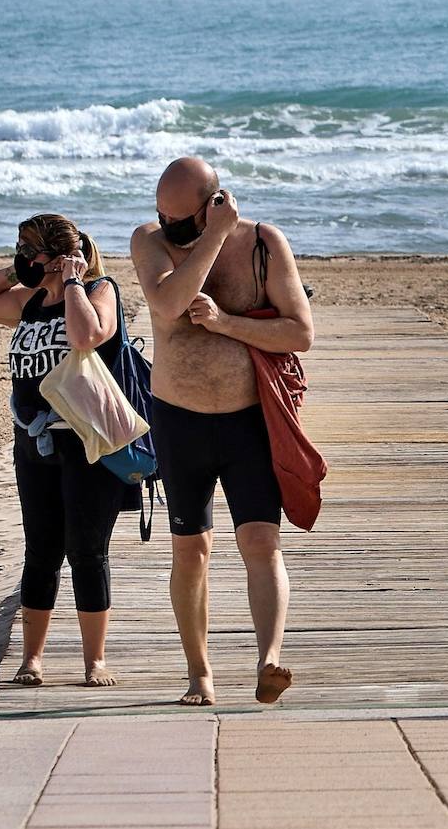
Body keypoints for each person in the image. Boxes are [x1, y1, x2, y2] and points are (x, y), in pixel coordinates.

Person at [131, 157, 314, 706]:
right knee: (192, 549)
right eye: (163, 216)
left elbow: (300, 333)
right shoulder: (151, 243)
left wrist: (228, 323)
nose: (170, 229)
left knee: (261, 539)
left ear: (216, 204)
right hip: (179, 419)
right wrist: (206, 239)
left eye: (182, 221)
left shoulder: (261, 243)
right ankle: (200, 674)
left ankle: (269, 658)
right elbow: (167, 303)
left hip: (248, 419)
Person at [0, 214, 124, 687]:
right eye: (20, 251)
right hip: (33, 441)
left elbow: (86, 336)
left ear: (55, 254)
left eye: (28, 251)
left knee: (87, 550)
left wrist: (73, 280)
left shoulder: (99, 292)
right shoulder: (27, 301)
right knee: (41, 549)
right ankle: (32, 659)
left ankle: (95, 661)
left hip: (84, 441)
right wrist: (17, 272)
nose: (24, 258)